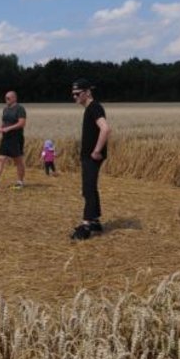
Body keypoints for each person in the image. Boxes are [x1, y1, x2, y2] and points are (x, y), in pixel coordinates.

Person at [71, 78, 110, 241]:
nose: (75, 97)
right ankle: (94, 220)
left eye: (78, 94)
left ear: (87, 92)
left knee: (88, 188)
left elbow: (106, 129)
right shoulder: (91, 108)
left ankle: (86, 225)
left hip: (92, 156)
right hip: (89, 155)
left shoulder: (94, 107)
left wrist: (96, 151)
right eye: (73, 94)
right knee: (90, 187)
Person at [0, 90, 27, 189]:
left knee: (18, 160)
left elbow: (22, 123)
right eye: (5, 98)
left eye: (8, 98)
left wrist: (8, 128)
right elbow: (4, 122)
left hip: (16, 138)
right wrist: (1, 127)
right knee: (0, 159)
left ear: (14, 98)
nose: (6, 100)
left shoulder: (20, 109)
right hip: (6, 138)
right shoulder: (5, 109)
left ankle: (20, 182)